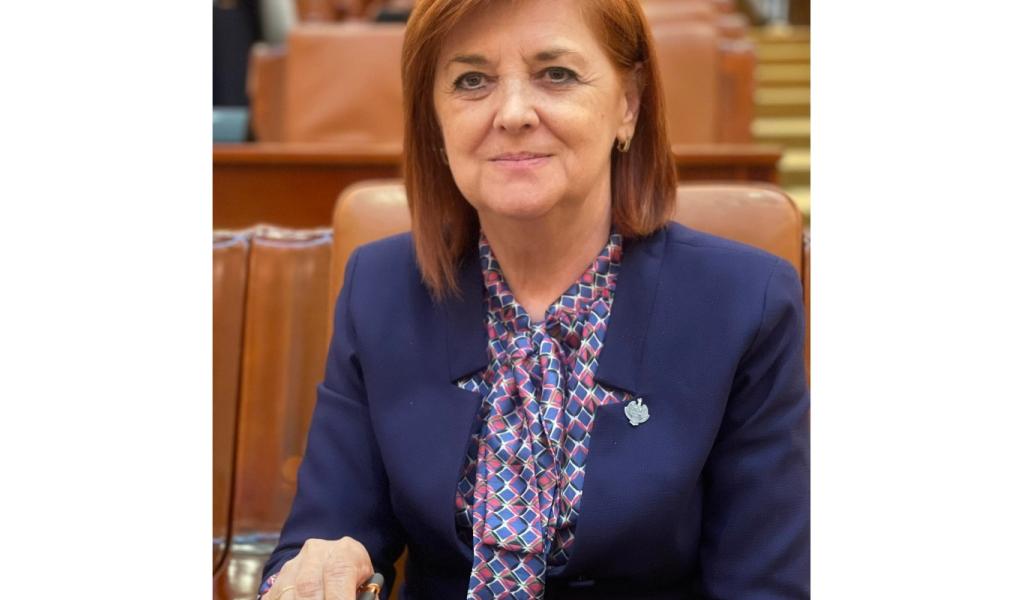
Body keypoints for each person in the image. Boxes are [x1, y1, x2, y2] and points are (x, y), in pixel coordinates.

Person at [258, 0, 809, 598]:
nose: (514, 113)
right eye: (472, 81)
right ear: (434, 119)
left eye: (557, 74)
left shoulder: (744, 301)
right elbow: (325, 531)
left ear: (628, 104)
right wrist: (323, 565)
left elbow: (764, 584)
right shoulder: (381, 286)